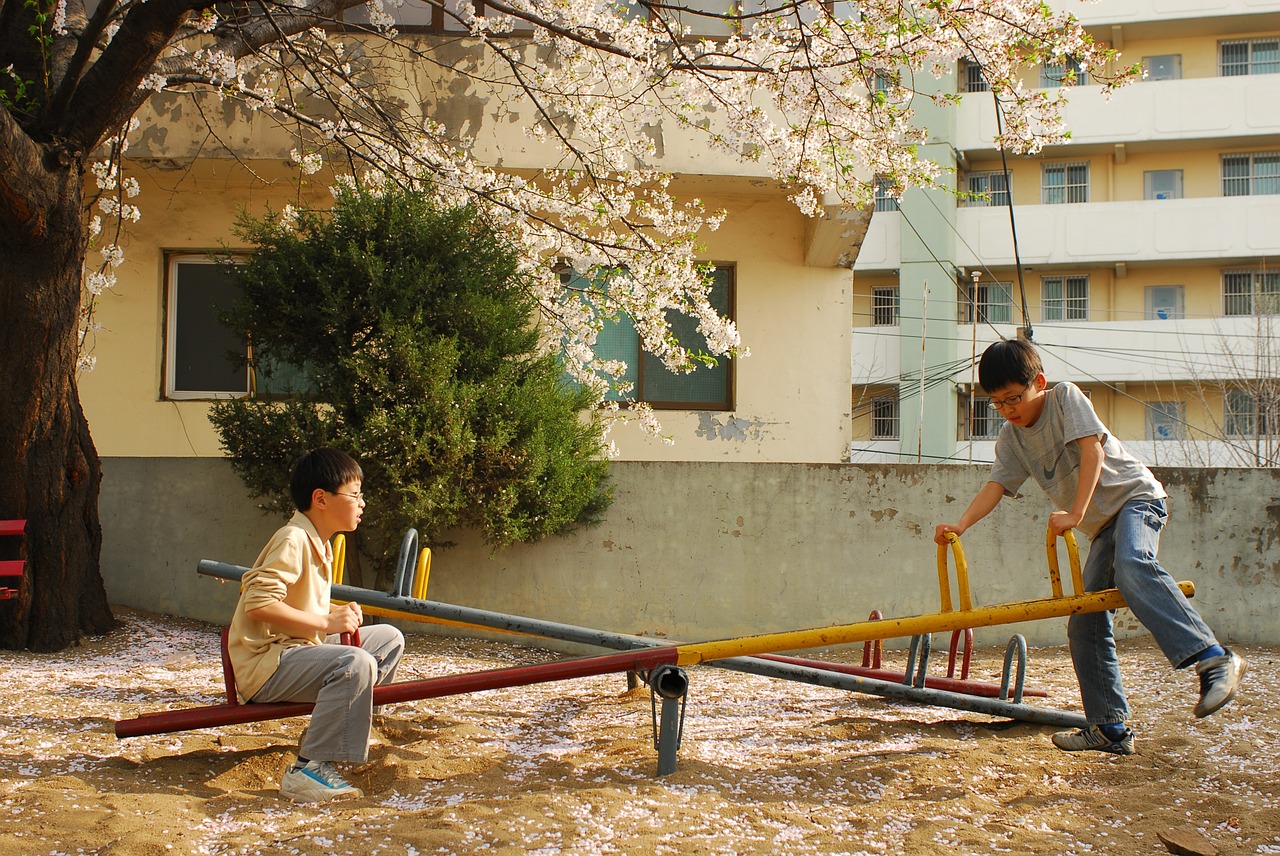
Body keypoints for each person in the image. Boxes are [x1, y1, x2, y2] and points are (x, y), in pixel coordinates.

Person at [934, 338, 1246, 756]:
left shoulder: (1065, 398)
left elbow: (1092, 451)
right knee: (1084, 620)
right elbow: (996, 485)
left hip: (1136, 500)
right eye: (997, 403)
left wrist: (1076, 513)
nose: (1008, 410)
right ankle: (1111, 728)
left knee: (1134, 564)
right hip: (1103, 526)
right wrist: (962, 523)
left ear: (1038, 383)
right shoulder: (1012, 437)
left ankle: (1213, 657)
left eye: (1014, 398)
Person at [228, 448, 405, 802]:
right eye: (354, 495)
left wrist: (331, 611)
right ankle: (308, 768)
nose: (362, 503)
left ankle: (343, 728)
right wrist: (326, 620)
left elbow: (297, 602)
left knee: (387, 638)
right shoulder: (293, 539)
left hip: (297, 652)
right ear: (321, 498)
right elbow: (259, 603)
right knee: (355, 663)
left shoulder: (318, 543)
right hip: (267, 664)